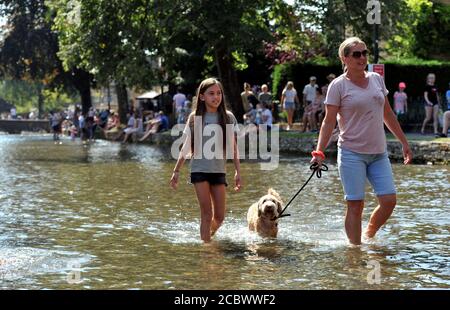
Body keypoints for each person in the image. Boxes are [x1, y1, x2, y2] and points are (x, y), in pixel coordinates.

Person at [311, 37, 413, 246]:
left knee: (388, 201)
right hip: (351, 153)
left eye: (365, 53)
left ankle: (369, 234)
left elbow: (388, 114)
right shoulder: (338, 86)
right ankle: (355, 252)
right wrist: (319, 152)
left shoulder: (376, 79)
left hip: (378, 153)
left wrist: (404, 142)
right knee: (356, 205)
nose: (362, 57)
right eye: (356, 54)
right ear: (344, 58)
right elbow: (328, 122)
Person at [169, 77, 241, 243]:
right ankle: (207, 251)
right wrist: (176, 171)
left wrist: (237, 171)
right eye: (211, 94)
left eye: (218, 93)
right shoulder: (195, 118)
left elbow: (233, 147)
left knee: (220, 217)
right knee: (206, 214)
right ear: (202, 97)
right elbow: (186, 147)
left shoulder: (228, 117)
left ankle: (207, 236)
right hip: (199, 170)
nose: (216, 97)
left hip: (219, 171)